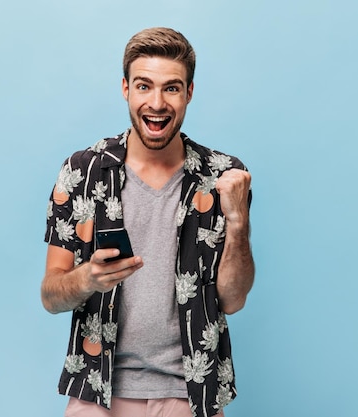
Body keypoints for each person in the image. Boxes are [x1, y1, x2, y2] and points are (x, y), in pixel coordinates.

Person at [41, 27, 254, 417]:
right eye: (144, 86)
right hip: (98, 387)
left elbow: (234, 300)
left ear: (189, 92)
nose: (156, 103)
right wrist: (87, 278)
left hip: (191, 391)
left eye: (171, 88)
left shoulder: (223, 176)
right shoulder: (83, 171)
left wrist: (238, 222)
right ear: (125, 88)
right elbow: (51, 294)